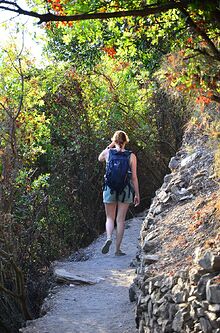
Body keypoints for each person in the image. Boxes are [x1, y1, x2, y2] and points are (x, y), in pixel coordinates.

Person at [98, 130, 140, 256]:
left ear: (114, 140)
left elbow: (99, 158)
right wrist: (137, 194)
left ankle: (109, 237)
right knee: (120, 220)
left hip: (109, 188)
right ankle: (117, 250)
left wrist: (110, 145)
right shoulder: (131, 156)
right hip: (125, 190)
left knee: (109, 218)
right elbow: (134, 177)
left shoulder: (107, 153)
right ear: (126, 141)